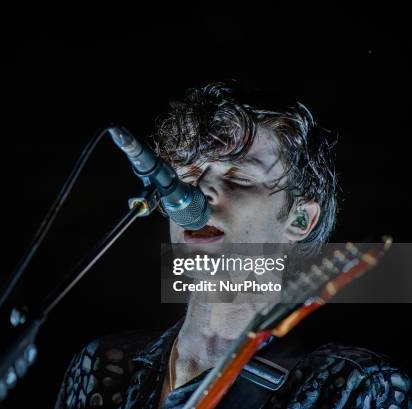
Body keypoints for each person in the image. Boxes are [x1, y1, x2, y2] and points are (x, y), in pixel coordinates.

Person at [55, 82, 411, 409]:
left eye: (238, 177)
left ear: (300, 220)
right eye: (187, 176)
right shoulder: (103, 366)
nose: (200, 193)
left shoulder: (356, 386)